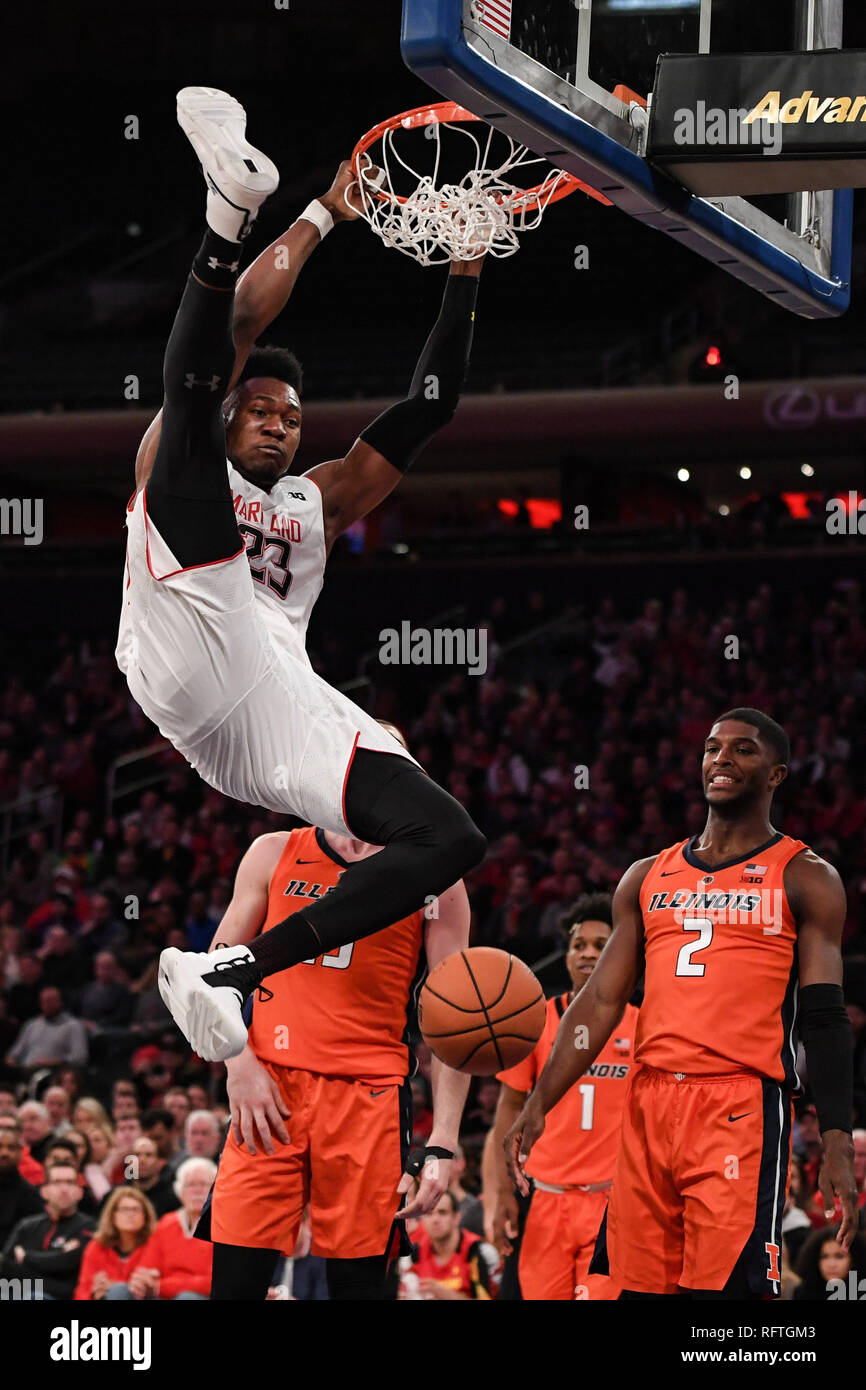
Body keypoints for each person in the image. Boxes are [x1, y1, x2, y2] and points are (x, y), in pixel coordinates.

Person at [115, 87, 486, 1063]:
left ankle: (227, 969)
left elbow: (429, 406)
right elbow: (238, 321)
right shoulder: (196, 448)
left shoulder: (318, 501)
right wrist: (324, 211)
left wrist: (462, 271)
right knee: (182, 427)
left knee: (446, 838)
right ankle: (228, 207)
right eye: (263, 409)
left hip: (266, 707)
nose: (280, 421)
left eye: (290, 415)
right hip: (180, 629)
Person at [507, 709, 858, 1299]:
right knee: (639, 1291)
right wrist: (541, 1100)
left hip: (739, 1106)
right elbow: (600, 1002)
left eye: (743, 750)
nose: (721, 759)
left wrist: (837, 1138)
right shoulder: (646, 875)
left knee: (725, 1306)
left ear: (776, 775)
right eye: (712, 748)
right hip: (647, 1105)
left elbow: (824, 1017)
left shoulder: (805, 877)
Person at [197, 759, 472, 1301]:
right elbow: (211, 978)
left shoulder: (439, 879)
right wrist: (239, 1063)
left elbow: (454, 1020)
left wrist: (443, 1138)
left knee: (358, 1290)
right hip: (267, 1089)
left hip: (367, 1097)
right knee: (235, 1283)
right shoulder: (273, 852)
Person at [484, 893, 638, 1300]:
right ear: (566, 956)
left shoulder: (645, 1026)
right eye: (578, 945)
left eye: (602, 946)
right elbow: (508, 1112)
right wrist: (499, 1194)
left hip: (611, 1201)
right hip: (545, 1201)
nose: (588, 954)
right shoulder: (536, 1022)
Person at [0, 1159, 95, 1299]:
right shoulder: (26, 1226)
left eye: (70, 1182)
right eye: (57, 1182)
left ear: (80, 1192)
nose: (64, 1189)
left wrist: (26, 1257)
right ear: (44, 1191)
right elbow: (5, 1267)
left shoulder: (90, 1227)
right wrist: (56, 1259)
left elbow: (69, 1265)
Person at [138, 1157, 216, 1300]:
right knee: (122, 1291)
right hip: (162, 1295)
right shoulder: (167, 1223)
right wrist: (144, 1281)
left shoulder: (223, 1225)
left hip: (200, 1297)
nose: (197, 1191)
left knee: (186, 1298)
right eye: (191, 1185)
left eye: (204, 1184)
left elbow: (215, 1281)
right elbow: (148, 1268)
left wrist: (162, 1286)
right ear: (180, 1191)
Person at [408, 1192, 497, 1300]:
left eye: (442, 1212)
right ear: (422, 1220)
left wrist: (448, 1296)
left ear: (456, 1218)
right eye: (429, 1214)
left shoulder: (479, 1251)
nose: (435, 1220)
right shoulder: (413, 1254)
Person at [74, 1187, 157, 1300]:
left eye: (136, 1209)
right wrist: (94, 1293)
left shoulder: (155, 1244)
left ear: (145, 1216)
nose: (130, 1214)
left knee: (118, 1291)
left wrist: (113, 1286)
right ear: (113, 1215)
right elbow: (82, 1291)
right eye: (124, 1209)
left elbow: (154, 1284)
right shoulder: (97, 1246)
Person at [5, 987, 88, 1072]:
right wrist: (10, 1060)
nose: (46, 1005)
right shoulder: (32, 1024)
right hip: (25, 1071)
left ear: (60, 1002)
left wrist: (52, 1063)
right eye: (43, 1001)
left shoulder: (73, 1026)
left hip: (53, 1073)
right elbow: (15, 1052)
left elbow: (79, 1058)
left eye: (50, 1001)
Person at [793, 1227, 866, 1300]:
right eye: (824, 1257)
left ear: (855, 1259)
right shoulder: (804, 1292)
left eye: (839, 1257)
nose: (831, 1265)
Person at [0, 1124, 43, 1247]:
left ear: (20, 1153)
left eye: (11, 1148)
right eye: (0, 1147)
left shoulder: (30, 1195)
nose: (4, 1153)